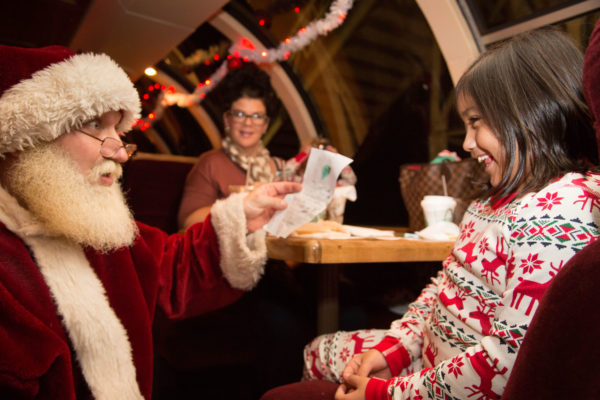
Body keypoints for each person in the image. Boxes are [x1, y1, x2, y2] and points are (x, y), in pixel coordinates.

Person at [300, 28, 600, 400]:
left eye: (476, 122)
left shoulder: (562, 211)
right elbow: (441, 290)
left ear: (531, 114)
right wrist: (394, 351)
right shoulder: (491, 202)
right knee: (318, 351)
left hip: (460, 383)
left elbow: (505, 364)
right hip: (430, 359)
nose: (466, 143)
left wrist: (386, 393)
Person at [0, 44, 301, 399]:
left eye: (119, 130)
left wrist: (239, 218)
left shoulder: (88, 225)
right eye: (96, 124)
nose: (119, 151)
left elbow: (166, 268)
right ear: (25, 138)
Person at [178, 62, 286, 230]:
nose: (248, 123)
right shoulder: (210, 163)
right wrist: (241, 206)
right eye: (240, 114)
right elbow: (188, 222)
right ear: (227, 120)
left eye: (257, 116)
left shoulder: (280, 167)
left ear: (265, 124)